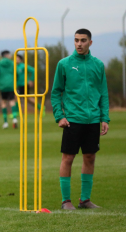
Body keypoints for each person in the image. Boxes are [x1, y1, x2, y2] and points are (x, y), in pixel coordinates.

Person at [51, 29, 110, 210]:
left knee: (90, 157)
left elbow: (103, 93)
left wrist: (104, 117)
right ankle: (65, 201)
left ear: (90, 43)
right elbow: (55, 93)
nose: (79, 44)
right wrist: (59, 116)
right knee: (68, 158)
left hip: (92, 119)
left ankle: (85, 200)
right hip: (72, 120)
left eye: (83, 40)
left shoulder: (98, 65)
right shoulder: (64, 64)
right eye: (76, 40)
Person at [0, 50, 18, 129]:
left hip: (3, 85)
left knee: (3, 102)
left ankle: (6, 122)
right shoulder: (12, 63)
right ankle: (14, 119)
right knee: (12, 101)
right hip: (11, 84)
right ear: (6, 55)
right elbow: (16, 72)